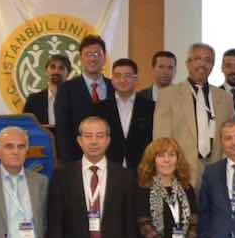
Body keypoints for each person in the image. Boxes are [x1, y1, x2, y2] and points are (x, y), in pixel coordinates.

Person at [153, 42, 232, 181]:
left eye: (208, 60)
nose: (202, 64)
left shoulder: (225, 98)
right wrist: (167, 174)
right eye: (197, 59)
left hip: (217, 173)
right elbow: (161, 140)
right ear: (188, 63)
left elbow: (230, 136)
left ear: (213, 66)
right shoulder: (168, 95)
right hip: (180, 172)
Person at [53, 35, 111, 163]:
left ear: (104, 58)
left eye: (97, 54)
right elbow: (63, 131)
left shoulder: (114, 87)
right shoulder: (66, 89)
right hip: (76, 161)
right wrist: (69, 164)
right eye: (88, 54)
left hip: (110, 161)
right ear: (81, 58)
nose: (92, 58)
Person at [108, 57, 154, 169]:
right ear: (112, 79)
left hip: (142, 168)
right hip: (110, 168)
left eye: (127, 76)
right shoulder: (99, 108)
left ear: (136, 79)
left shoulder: (151, 107)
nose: (122, 80)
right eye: (118, 76)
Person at [22, 54, 71, 128]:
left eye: (61, 68)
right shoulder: (33, 100)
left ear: (68, 74)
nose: (56, 71)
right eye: (52, 67)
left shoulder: (76, 99)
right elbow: (26, 127)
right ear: (46, 71)